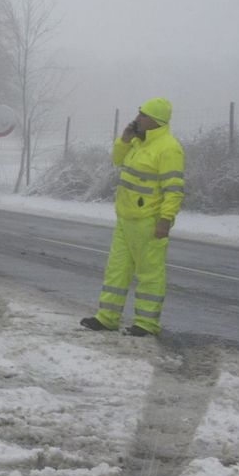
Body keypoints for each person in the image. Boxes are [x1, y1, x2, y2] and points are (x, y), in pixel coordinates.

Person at [79, 97, 186, 337]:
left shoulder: (169, 148)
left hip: (149, 221)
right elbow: (117, 160)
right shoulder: (138, 142)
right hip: (125, 219)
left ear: (156, 121)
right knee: (116, 270)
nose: (137, 118)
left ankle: (146, 324)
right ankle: (107, 318)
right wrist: (125, 139)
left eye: (142, 115)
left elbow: (174, 190)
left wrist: (165, 220)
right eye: (139, 113)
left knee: (150, 274)